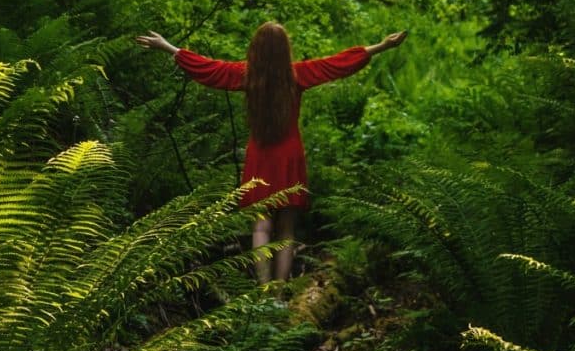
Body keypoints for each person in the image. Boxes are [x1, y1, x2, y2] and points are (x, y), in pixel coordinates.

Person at [135, 22, 407, 282]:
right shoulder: (297, 73)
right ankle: (278, 291)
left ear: (256, 49)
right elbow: (336, 64)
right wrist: (382, 46)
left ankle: (263, 291)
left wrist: (168, 47)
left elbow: (208, 68)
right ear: (284, 49)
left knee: (260, 226)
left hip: (260, 155)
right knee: (286, 230)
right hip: (290, 155)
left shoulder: (245, 74)